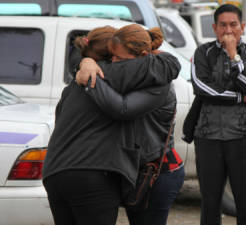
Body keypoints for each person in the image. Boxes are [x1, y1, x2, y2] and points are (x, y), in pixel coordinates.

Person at [42, 25, 181, 225]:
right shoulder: (118, 74)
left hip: (55, 172)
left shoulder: (76, 83)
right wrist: (87, 66)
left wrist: (86, 65)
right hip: (93, 173)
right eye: (113, 57)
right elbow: (169, 65)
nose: (116, 63)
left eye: (120, 59)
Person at [189, 4, 246, 225]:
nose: (228, 31)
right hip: (208, 137)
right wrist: (239, 97)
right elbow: (204, 90)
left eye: (233, 25)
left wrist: (234, 56)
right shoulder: (203, 53)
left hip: (244, 136)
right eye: (223, 25)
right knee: (210, 203)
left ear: (242, 27)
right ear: (214, 27)